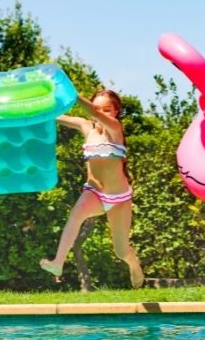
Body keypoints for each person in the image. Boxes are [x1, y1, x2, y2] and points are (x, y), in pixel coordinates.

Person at [40, 89, 144, 288]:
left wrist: (72, 93)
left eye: (107, 109)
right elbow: (55, 116)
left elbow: (95, 113)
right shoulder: (86, 127)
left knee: (121, 251)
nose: (102, 113)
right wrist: (37, 109)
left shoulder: (115, 128)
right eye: (98, 108)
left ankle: (134, 265)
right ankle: (58, 263)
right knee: (75, 215)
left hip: (119, 198)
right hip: (94, 192)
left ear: (115, 112)